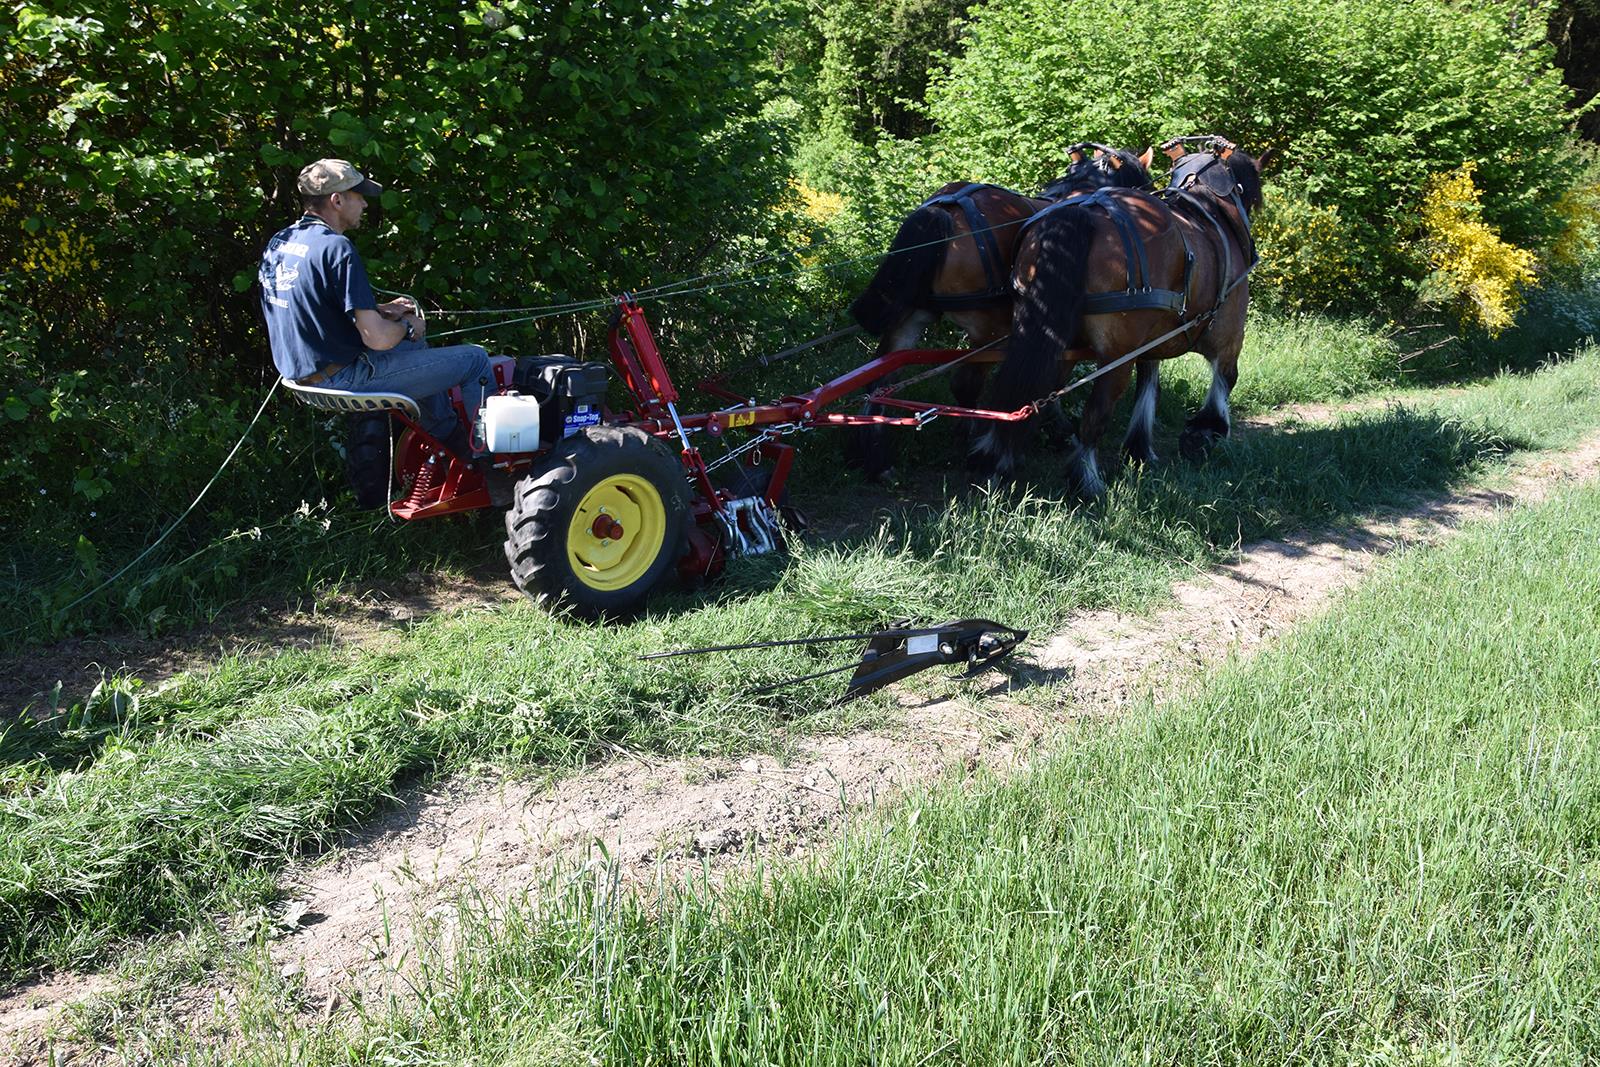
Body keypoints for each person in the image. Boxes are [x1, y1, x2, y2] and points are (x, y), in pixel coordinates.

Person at [259, 158, 491, 459]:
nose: (365, 205)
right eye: (359, 196)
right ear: (337, 200)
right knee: (476, 360)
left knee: (416, 349)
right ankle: (492, 467)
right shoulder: (336, 248)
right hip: (344, 377)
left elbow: (312, 304)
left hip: (301, 377)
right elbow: (377, 340)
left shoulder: (283, 241)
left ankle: (451, 443)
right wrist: (408, 326)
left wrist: (381, 309)